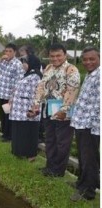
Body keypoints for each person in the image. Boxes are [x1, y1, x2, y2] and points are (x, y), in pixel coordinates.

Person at [30, 43, 80, 177]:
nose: (55, 58)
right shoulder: (48, 68)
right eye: (52, 56)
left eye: (58, 55)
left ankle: (58, 171)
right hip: (48, 109)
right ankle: (49, 166)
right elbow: (41, 87)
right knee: (50, 140)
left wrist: (64, 110)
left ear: (65, 55)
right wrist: (36, 103)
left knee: (62, 143)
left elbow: (72, 91)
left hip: (64, 113)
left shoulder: (71, 69)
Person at [69, 47, 100, 201]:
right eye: (85, 59)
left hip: (90, 125)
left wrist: (92, 125)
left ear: (99, 58)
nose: (88, 62)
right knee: (83, 157)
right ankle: (81, 183)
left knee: (89, 159)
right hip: (81, 123)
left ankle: (88, 192)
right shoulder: (90, 75)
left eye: (92, 59)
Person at [10, 54, 42, 162]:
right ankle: (19, 152)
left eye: (25, 62)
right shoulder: (26, 74)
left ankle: (30, 155)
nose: (23, 64)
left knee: (29, 132)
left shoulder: (36, 76)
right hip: (19, 109)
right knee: (19, 131)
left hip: (28, 109)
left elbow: (37, 94)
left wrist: (34, 109)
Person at [0, 43, 24, 142]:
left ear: (15, 52)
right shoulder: (3, 62)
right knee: (2, 115)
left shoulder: (17, 64)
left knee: (8, 116)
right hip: (1, 92)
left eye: (10, 51)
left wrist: (13, 96)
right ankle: (4, 134)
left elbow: (19, 81)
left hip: (9, 95)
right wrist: (0, 60)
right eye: (6, 51)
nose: (8, 53)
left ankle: (8, 136)